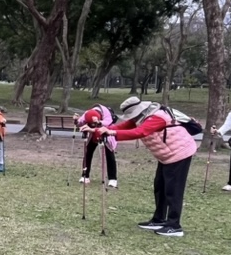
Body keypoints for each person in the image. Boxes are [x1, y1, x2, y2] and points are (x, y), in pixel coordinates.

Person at [84, 96, 197, 237]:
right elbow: (118, 127)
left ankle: (174, 226)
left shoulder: (157, 117)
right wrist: (96, 130)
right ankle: (159, 219)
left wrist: (112, 133)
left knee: (173, 190)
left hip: (179, 152)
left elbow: (139, 132)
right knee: (160, 186)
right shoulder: (140, 118)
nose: (131, 118)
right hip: (166, 155)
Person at [74, 105, 119, 188]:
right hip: (92, 134)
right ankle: (85, 176)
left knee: (109, 155)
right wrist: (76, 120)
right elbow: (80, 123)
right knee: (87, 153)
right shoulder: (87, 114)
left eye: (93, 124)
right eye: (91, 124)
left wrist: (99, 122)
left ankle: (112, 179)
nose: (93, 125)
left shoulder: (106, 112)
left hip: (106, 132)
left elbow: (108, 122)